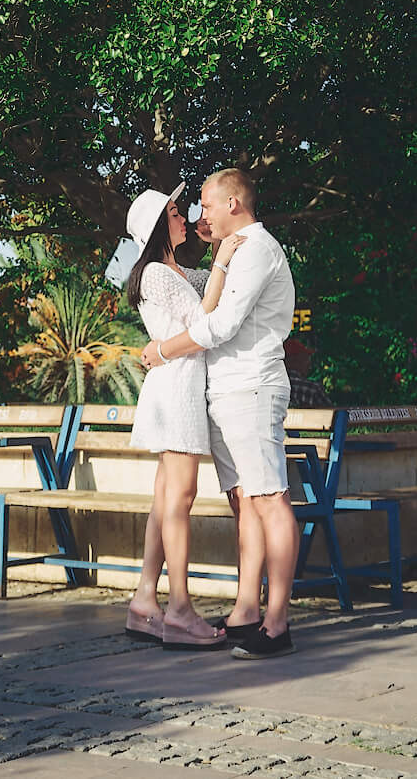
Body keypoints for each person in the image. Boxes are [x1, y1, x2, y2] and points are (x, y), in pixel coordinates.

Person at [139, 167, 298, 659]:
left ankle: (278, 621)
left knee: (270, 498)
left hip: (251, 388)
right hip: (225, 392)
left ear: (233, 204)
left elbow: (221, 325)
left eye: (206, 205)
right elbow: (213, 302)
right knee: (243, 502)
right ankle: (246, 611)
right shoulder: (233, 252)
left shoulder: (257, 249)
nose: (198, 216)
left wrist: (163, 351)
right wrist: (216, 250)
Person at [115, 186, 229, 649]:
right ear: (159, 226)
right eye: (177, 213)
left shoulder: (176, 271)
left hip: (173, 385)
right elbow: (204, 323)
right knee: (179, 497)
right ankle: (179, 608)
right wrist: (222, 259)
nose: (186, 218)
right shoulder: (158, 274)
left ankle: (146, 598)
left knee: (166, 498)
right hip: (178, 387)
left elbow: (212, 295)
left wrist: (214, 244)